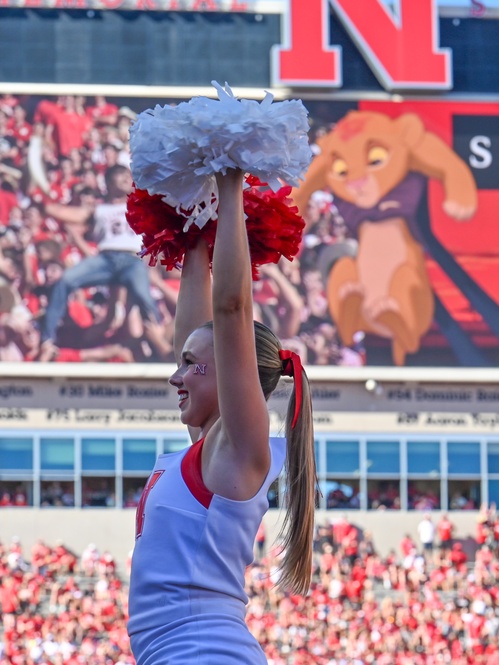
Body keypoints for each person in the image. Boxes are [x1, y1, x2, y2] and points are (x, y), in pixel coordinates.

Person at [126, 169, 317, 664]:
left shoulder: (236, 448)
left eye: (190, 367)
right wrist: (192, 233)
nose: (175, 377)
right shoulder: (208, 446)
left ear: (233, 376)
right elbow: (203, 330)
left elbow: (231, 311)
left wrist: (230, 186)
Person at [39, 164, 164, 355]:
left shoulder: (142, 204)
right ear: (108, 182)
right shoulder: (98, 209)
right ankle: (47, 340)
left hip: (132, 260)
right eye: (120, 175)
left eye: (127, 175)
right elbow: (66, 213)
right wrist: (45, 203)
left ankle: (159, 342)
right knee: (65, 280)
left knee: (144, 297)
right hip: (105, 259)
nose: (126, 179)